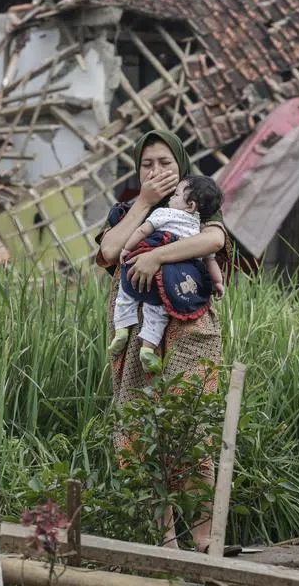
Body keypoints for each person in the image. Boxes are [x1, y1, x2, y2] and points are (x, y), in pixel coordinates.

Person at [95, 130, 235, 555]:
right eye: (147, 164)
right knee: (138, 431)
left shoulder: (195, 203)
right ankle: (165, 543)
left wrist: (157, 255)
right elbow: (108, 251)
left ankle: (205, 539)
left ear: (181, 166)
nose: (156, 172)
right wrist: (142, 205)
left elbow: (216, 240)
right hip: (139, 331)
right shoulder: (126, 211)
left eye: (165, 163)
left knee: (191, 424)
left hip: (191, 326)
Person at [109, 175, 226, 375]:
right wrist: (217, 282)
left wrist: (126, 250)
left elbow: (142, 231)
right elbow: (210, 259)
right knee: (158, 309)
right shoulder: (199, 228)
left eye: (176, 194)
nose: (172, 197)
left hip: (141, 265)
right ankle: (148, 346)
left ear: (190, 205)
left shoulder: (164, 213)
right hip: (173, 280)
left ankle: (121, 328)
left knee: (125, 293)